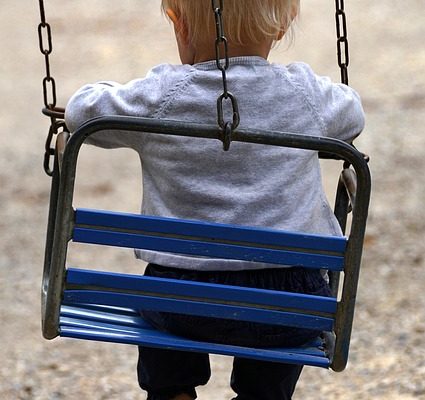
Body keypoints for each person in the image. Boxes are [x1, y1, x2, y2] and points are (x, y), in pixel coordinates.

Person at [65, 1, 365, 399]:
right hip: (288, 305)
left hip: (182, 302)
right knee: (288, 315)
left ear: (179, 24)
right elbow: (353, 114)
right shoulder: (306, 95)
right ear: (282, 27)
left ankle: (172, 390)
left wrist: (101, 90)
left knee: (159, 301)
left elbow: (80, 113)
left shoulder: (161, 96)